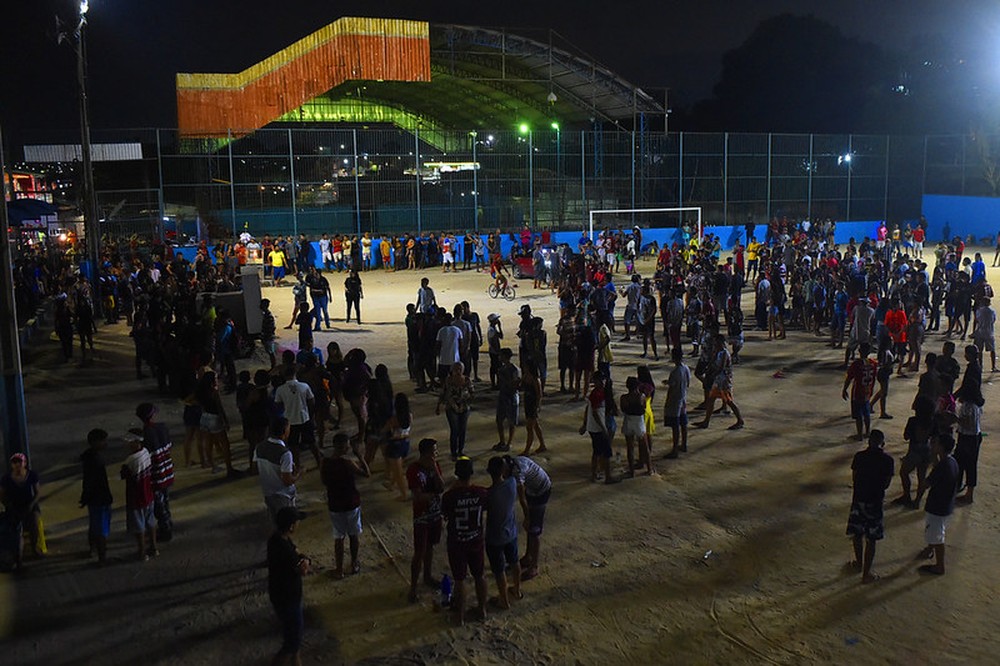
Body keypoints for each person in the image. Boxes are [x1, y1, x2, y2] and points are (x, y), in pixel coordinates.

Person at [441, 457, 489, 625]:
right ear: (471, 473)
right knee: (479, 575)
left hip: (457, 541)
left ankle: (459, 616)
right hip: (476, 539)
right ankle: (482, 609)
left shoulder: (449, 496)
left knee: (460, 579)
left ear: (456, 474)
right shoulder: (482, 492)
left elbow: (445, 514)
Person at [846, 430, 894, 584]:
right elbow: (886, 484)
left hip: (859, 499)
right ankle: (866, 573)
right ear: (883, 443)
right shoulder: (888, 460)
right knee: (871, 539)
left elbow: (854, 478)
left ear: (869, 442)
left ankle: (859, 563)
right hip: (875, 502)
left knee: (857, 533)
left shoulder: (859, 457)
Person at [321, 433, 370, 579]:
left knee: (339, 537)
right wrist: (360, 457)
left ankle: (339, 569)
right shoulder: (348, 463)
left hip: (335, 503)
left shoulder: (325, 462)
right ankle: (354, 563)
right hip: (351, 502)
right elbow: (366, 474)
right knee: (353, 535)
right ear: (344, 446)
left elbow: (324, 481)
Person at [267, 507, 310, 665]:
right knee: (292, 642)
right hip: (288, 599)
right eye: (297, 522)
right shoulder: (285, 549)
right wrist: (306, 561)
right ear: (291, 526)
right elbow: (303, 569)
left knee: (293, 636)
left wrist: (302, 557)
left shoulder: (277, 538)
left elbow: (297, 551)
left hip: (279, 594)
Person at [407, 438, 444, 603]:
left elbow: (441, 487)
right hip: (422, 516)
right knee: (419, 551)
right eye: (434, 451)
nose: (436, 454)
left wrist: (435, 470)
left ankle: (427, 577)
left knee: (430, 547)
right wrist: (433, 495)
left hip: (435, 514)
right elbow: (418, 496)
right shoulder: (414, 470)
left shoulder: (435, 466)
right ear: (427, 453)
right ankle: (413, 587)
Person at [918, 434, 960, 575]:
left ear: (941, 447)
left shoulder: (942, 466)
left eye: (935, 443)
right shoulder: (952, 461)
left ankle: (939, 566)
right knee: (935, 531)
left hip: (937, 507)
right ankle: (930, 549)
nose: (932, 446)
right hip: (946, 504)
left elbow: (926, 484)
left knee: (937, 535)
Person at [507, 454, 551, 581]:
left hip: (542, 491)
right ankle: (528, 556)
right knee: (530, 528)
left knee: (534, 530)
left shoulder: (517, 473)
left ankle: (534, 566)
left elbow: (522, 499)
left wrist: (527, 517)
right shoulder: (514, 461)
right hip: (533, 489)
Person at [485, 457, 522, 610]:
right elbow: (514, 471)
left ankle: (504, 601)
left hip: (494, 537)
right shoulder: (512, 484)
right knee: (514, 562)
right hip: (511, 533)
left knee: (499, 570)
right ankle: (517, 590)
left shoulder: (488, 494)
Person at [136, 402, 175, 542]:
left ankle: (165, 530)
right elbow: (169, 446)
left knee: (158, 504)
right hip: (167, 470)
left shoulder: (145, 434)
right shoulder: (162, 428)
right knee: (166, 500)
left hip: (155, 475)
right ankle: (168, 522)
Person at [694, 334, 745, 430]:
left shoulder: (724, 353)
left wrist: (711, 374)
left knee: (729, 401)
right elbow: (712, 363)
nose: (715, 344)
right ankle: (706, 421)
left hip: (724, 381)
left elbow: (721, 367)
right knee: (711, 399)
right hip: (719, 380)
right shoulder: (718, 352)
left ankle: (740, 420)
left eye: (716, 342)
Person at [255, 417, 300, 524]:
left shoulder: (259, 447)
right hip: (283, 495)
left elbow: (255, 468)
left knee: (275, 522)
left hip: (268, 492)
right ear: (285, 431)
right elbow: (287, 481)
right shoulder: (285, 453)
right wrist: (299, 474)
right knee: (287, 524)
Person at [1, 453, 42, 569]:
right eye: (15, 462)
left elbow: (38, 493)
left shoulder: (32, 475)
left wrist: (31, 505)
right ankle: (18, 558)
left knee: (34, 522)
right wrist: (9, 506)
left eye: (20, 462)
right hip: (15, 508)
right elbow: (2, 495)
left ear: (25, 463)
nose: (17, 465)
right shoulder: (6, 478)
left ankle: (34, 547)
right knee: (17, 531)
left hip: (30, 506)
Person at [274, 366, 321, 470]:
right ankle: (319, 462)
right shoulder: (304, 386)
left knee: (293, 445)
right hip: (304, 417)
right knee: (312, 442)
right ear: (295, 374)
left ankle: (298, 465)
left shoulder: (280, 389)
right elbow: (312, 401)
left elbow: (277, 405)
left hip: (289, 420)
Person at [121, 433, 157, 561]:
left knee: (139, 527)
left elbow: (123, 474)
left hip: (135, 498)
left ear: (137, 442)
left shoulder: (130, 460)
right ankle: (153, 547)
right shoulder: (146, 452)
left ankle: (142, 552)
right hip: (148, 494)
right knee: (150, 521)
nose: (128, 444)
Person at [80, 429, 113, 564]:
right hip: (100, 498)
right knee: (102, 530)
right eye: (103, 441)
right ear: (95, 442)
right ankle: (102, 557)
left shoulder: (89, 457)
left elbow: (87, 481)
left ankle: (92, 549)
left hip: (93, 499)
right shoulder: (96, 460)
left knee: (95, 525)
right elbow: (94, 481)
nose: (106, 443)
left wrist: (85, 497)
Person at [581, 371, 619, 484]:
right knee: (606, 452)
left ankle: (594, 475)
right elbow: (595, 413)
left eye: (603, 379)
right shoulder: (597, 394)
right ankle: (608, 477)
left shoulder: (598, 393)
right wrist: (604, 428)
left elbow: (588, 409)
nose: (602, 382)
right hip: (598, 428)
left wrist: (585, 424)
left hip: (594, 427)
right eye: (600, 380)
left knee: (597, 451)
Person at [842, 343, 878, 441]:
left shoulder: (856, 364)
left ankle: (859, 435)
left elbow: (849, 378)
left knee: (858, 415)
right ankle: (867, 431)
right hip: (868, 390)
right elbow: (874, 377)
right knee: (866, 412)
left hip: (858, 391)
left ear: (859, 351)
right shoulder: (873, 364)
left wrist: (844, 389)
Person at [437, 362, 474, 459]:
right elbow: (442, 393)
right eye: (456, 369)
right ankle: (454, 452)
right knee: (454, 430)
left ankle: (461, 450)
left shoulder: (467, 380)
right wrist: (438, 405)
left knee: (463, 430)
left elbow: (472, 393)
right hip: (451, 407)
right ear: (452, 370)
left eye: (460, 369)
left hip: (464, 407)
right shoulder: (448, 381)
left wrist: (469, 402)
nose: (458, 372)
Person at [663, 346, 691, 459]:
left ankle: (675, 450)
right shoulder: (686, 368)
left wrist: (668, 383)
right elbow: (688, 382)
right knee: (683, 423)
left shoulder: (675, 372)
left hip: (675, 399)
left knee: (675, 425)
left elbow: (672, 385)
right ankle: (684, 444)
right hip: (683, 397)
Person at [493, 348, 520, 453]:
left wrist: (503, 378)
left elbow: (514, 385)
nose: (499, 357)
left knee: (511, 421)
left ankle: (509, 443)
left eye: (501, 355)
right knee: (499, 420)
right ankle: (502, 441)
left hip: (511, 396)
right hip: (503, 395)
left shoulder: (514, 370)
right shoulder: (503, 368)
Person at [520, 361, 546, 456]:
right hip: (527, 403)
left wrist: (538, 406)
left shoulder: (535, 380)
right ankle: (542, 445)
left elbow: (539, 394)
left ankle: (527, 450)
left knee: (529, 427)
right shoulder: (525, 377)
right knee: (535, 426)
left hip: (533, 405)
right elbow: (521, 387)